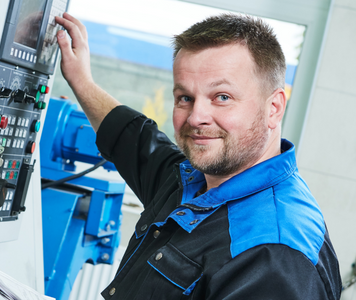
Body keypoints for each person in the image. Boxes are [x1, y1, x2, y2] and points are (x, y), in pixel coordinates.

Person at [54, 12, 342, 299]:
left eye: (222, 97)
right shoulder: (195, 181)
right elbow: (136, 141)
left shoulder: (274, 256)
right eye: (185, 98)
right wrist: (81, 80)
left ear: (274, 108)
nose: (196, 117)